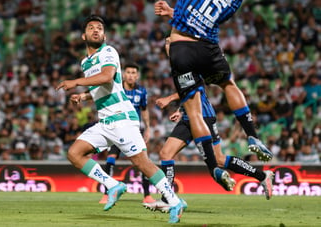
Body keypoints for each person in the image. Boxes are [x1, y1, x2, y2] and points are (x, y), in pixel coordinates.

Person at [56, 15, 185, 223]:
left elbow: (107, 76)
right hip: (105, 121)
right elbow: (103, 86)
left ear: (104, 35)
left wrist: (76, 82)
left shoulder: (108, 51)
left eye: (99, 28)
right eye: (91, 28)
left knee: (142, 163)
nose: (96, 30)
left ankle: (174, 201)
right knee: (75, 153)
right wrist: (85, 95)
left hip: (123, 119)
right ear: (83, 35)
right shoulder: (85, 62)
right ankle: (113, 185)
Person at [153, 0, 273, 162]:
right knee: (228, 84)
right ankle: (252, 135)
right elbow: (204, 19)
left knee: (194, 111)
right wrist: (173, 12)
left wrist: (175, 14)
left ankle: (214, 164)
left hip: (181, 47)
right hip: (208, 48)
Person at [143, 89, 274, 212]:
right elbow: (187, 93)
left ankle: (262, 176)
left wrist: (169, 98)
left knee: (219, 159)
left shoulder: (188, 65)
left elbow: (194, 88)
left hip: (203, 116)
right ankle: (168, 199)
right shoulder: (177, 68)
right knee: (165, 154)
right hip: (188, 117)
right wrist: (181, 109)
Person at [99, 62, 154, 205]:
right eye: (128, 72)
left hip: (134, 130)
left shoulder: (141, 91)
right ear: (123, 74)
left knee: (143, 161)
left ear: (137, 76)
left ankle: (147, 195)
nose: (130, 75)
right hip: (117, 128)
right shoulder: (117, 89)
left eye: (133, 73)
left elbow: (144, 109)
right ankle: (107, 193)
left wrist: (148, 128)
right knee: (110, 159)